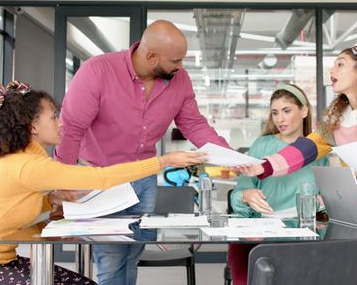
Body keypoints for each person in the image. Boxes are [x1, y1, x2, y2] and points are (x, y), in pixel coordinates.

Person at [0, 81, 205, 285]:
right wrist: (163, 161)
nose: (61, 123)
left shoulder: (25, 159)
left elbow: (6, 220)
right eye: (53, 116)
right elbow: (101, 178)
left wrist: (50, 207)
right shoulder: (27, 165)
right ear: (32, 126)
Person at [54, 19, 230, 285]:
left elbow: (193, 123)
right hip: (103, 179)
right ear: (150, 56)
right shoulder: (98, 71)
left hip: (145, 179)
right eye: (175, 61)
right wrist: (63, 183)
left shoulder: (179, 80)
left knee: (132, 254)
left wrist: (229, 156)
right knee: (111, 259)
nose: (180, 67)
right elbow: (71, 129)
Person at [233, 44, 357, 216]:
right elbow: (307, 147)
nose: (332, 70)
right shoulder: (339, 114)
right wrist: (264, 167)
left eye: (340, 64)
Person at [227, 83, 328, 285]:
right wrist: (246, 196)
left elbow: (328, 204)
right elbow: (238, 195)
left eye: (286, 111)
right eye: (275, 113)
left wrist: (323, 203)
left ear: (304, 111)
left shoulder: (319, 151)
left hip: (305, 239)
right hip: (263, 236)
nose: (279, 119)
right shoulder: (261, 145)